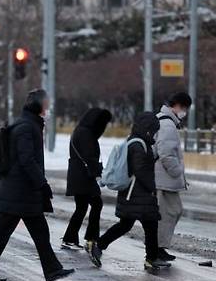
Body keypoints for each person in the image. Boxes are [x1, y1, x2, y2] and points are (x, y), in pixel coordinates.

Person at [0, 89, 75, 281]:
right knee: (1, 235)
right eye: (46, 103)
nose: (48, 107)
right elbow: (26, 160)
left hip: (22, 191)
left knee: (38, 232)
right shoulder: (26, 127)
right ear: (38, 105)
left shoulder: (27, 124)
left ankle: (52, 269)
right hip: (19, 191)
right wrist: (42, 183)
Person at [90, 112, 168, 271]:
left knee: (133, 225)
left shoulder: (136, 142)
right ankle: (150, 258)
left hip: (134, 194)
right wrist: (151, 187)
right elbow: (139, 169)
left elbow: (140, 164)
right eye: (153, 130)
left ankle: (100, 245)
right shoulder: (138, 145)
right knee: (143, 225)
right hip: (137, 194)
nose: (155, 133)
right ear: (147, 129)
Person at [62, 108, 112, 256]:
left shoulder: (81, 130)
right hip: (84, 177)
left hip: (78, 175)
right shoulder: (86, 134)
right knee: (96, 204)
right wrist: (99, 174)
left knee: (82, 207)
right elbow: (89, 156)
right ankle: (90, 238)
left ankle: (70, 238)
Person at [153, 92, 191, 262]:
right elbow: (166, 153)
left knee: (170, 212)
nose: (185, 112)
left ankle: (158, 248)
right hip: (164, 179)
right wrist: (177, 172)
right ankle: (157, 249)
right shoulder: (167, 124)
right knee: (168, 213)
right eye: (183, 108)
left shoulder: (165, 121)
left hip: (163, 178)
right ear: (176, 105)